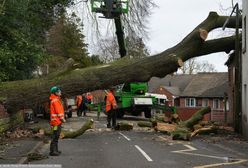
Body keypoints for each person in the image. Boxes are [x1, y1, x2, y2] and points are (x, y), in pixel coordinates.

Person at [49, 86, 66, 156]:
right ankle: (53, 151)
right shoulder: (55, 100)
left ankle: (55, 150)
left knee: (56, 136)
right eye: (59, 91)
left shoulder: (56, 99)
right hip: (56, 122)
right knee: (55, 136)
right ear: (56, 93)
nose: (60, 92)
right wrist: (62, 118)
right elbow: (58, 111)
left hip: (56, 122)